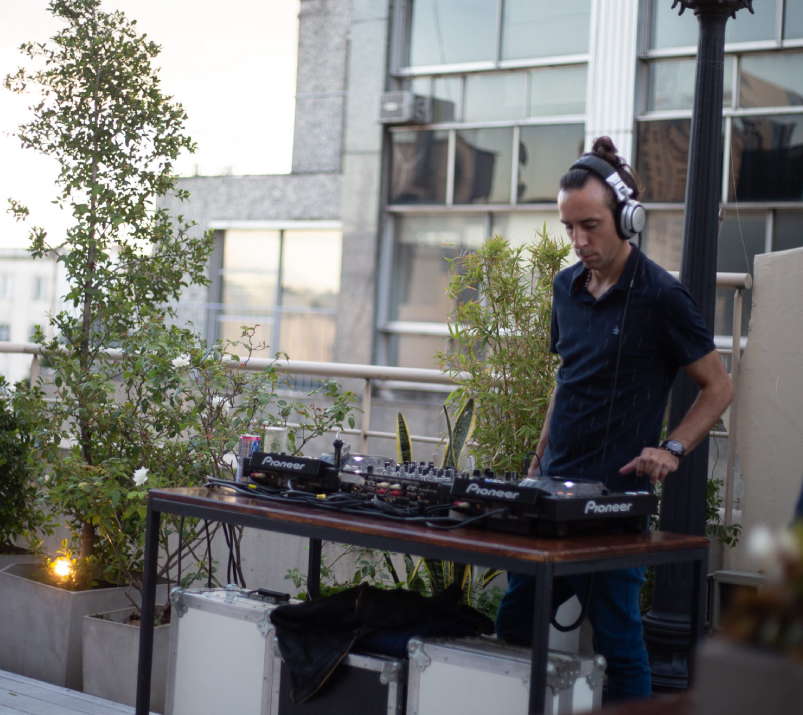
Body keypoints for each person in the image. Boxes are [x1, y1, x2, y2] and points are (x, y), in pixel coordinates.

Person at [495, 136, 735, 703]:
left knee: (618, 640)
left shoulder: (662, 296)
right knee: (513, 626)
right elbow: (567, 379)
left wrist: (671, 449)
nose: (579, 241)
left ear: (627, 220)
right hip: (552, 493)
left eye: (591, 226)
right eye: (569, 228)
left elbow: (718, 387)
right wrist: (537, 462)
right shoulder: (565, 286)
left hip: (616, 503)